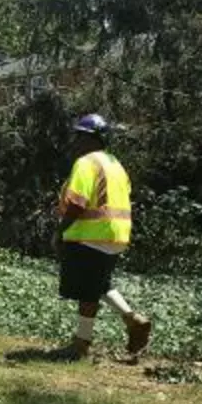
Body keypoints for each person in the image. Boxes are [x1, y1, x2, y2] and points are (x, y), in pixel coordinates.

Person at [53, 113, 151, 360]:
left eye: (80, 136)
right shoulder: (116, 164)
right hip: (116, 235)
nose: (76, 141)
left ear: (91, 139)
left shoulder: (86, 163)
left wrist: (60, 231)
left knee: (87, 291)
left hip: (90, 234)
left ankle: (81, 344)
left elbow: (77, 202)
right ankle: (133, 320)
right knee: (100, 283)